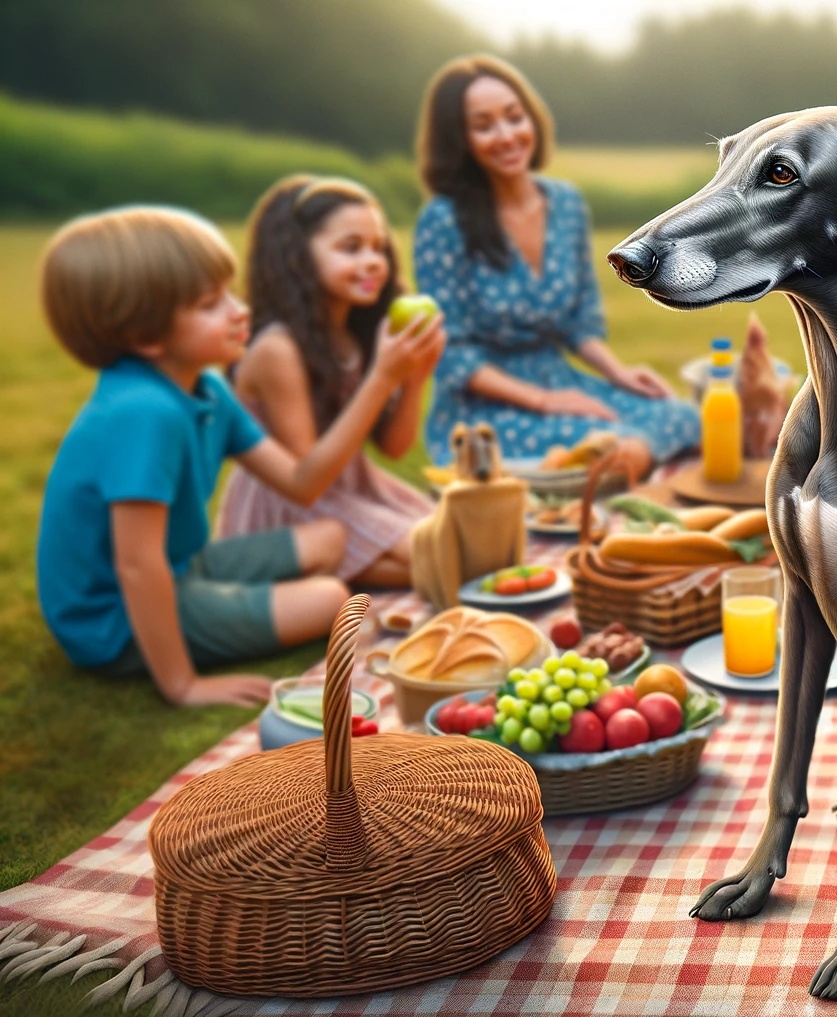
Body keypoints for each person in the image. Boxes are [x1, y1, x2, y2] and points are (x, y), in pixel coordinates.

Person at [34, 208, 435, 707]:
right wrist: (183, 685)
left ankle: (252, 606)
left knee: (332, 536)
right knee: (334, 598)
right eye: (209, 304)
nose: (238, 309)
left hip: (186, 563)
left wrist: (391, 377)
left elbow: (303, 483)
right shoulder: (143, 413)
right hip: (112, 619)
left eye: (229, 291)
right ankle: (247, 613)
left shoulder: (207, 388)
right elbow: (137, 566)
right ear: (145, 337)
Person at [412, 54, 700, 466]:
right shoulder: (443, 221)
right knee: (615, 449)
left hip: (558, 377)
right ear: (459, 140)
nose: (507, 135)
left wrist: (618, 374)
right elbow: (452, 353)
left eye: (514, 117)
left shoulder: (566, 204)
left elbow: (578, 324)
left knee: (683, 419)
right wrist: (545, 402)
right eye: (484, 125)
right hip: (484, 405)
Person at [217, 176, 444, 587]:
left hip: (352, 490)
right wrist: (381, 377)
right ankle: (311, 573)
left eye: (378, 248)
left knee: (454, 548)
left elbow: (392, 447)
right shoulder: (277, 348)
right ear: (298, 257)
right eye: (351, 247)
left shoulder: (354, 332)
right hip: (289, 511)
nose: (374, 261)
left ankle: (344, 571)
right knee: (442, 558)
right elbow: (308, 477)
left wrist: (414, 379)